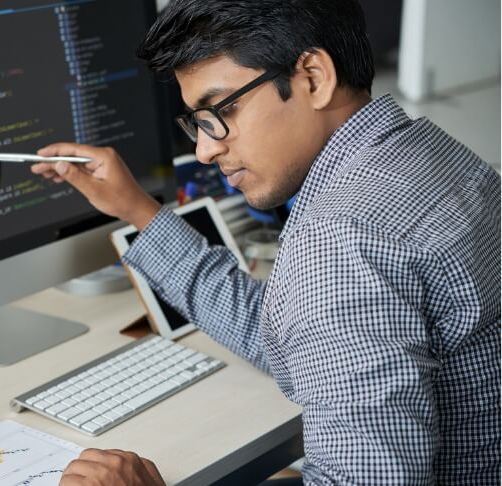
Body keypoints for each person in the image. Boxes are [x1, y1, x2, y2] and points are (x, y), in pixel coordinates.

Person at [31, 0, 501, 485]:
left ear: (314, 77)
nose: (205, 148)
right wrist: (138, 211)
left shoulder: (339, 242)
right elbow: (301, 335)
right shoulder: (430, 154)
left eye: (220, 110)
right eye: (196, 122)